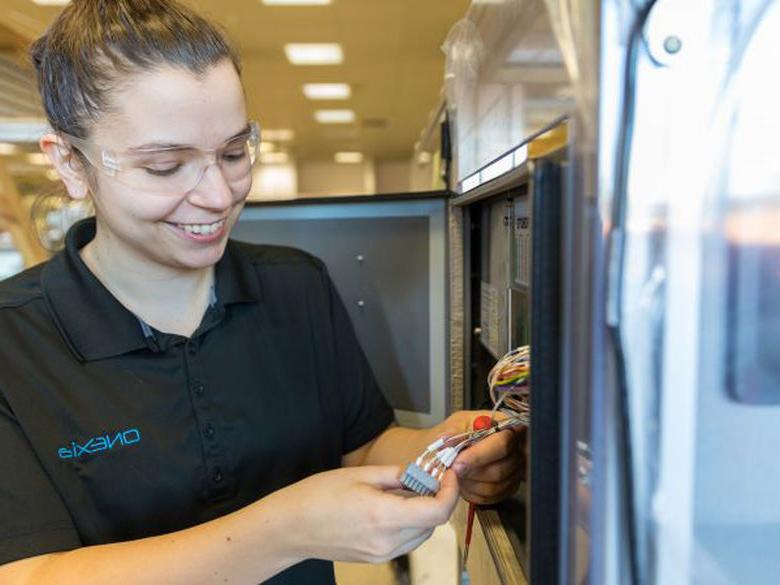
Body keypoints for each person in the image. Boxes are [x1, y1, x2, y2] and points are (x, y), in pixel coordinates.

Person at [0, 1, 524, 583]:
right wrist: (286, 529)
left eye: (232, 153)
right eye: (167, 166)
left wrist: (443, 451)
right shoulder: (13, 344)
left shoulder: (296, 287)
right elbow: (29, 575)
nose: (220, 196)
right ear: (70, 163)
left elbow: (362, 445)